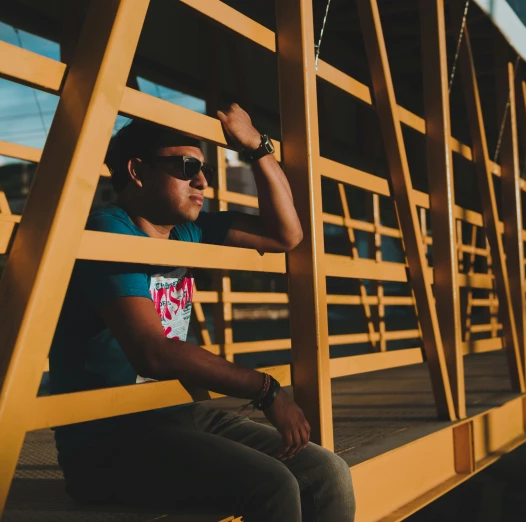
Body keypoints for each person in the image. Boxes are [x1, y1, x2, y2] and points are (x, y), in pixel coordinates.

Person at [49, 103, 355, 522]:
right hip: (108, 439)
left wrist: (256, 147)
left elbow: (288, 235)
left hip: (175, 416)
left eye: (205, 169)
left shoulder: (187, 230)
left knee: (327, 472)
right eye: (187, 165)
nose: (202, 180)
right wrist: (265, 390)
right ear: (137, 171)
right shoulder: (108, 230)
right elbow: (150, 352)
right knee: (275, 485)